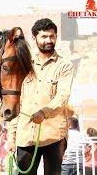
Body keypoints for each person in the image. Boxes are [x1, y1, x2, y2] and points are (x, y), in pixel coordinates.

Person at [7, 18, 74, 174]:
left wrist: (44, 113)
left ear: (56, 37)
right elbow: (17, 103)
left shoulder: (64, 65)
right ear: (34, 38)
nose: (48, 40)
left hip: (54, 135)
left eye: (52, 36)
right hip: (25, 136)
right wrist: (11, 137)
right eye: (43, 37)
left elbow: (62, 97)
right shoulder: (24, 65)